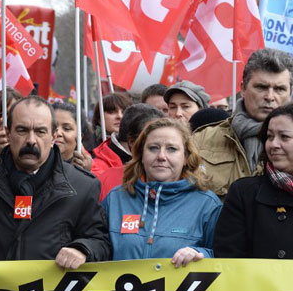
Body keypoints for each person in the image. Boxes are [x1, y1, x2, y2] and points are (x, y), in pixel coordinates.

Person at [0, 96, 111, 276]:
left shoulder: (83, 186)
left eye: (40, 132)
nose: (31, 140)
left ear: (53, 136)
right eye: (22, 130)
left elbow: (101, 242)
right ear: (8, 133)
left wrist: (82, 249)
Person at [102, 118, 222, 265]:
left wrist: (201, 254)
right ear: (141, 155)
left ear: (185, 157)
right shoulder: (115, 199)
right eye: (153, 148)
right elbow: (96, 245)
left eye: (172, 149)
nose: (161, 156)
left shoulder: (207, 205)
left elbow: (223, 257)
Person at [192, 48, 293, 198]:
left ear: (290, 94)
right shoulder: (202, 140)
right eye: (261, 87)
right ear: (243, 89)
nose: (270, 97)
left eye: (279, 89)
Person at [214, 104, 293, 259]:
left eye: (284, 137)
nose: (274, 145)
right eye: (270, 137)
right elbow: (228, 257)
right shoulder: (244, 192)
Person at [97, 103, 165, 200]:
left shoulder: (188, 187)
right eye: (153, 146)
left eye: (172, 148)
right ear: (132, 143)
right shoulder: (107, 181)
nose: (162, 156)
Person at [52, 101, 92, 170]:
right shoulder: (33, 166)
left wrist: (84, 174)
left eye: (66, 128)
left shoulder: (91, 172)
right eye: (53, 126)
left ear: (80, 137)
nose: (58, 133)